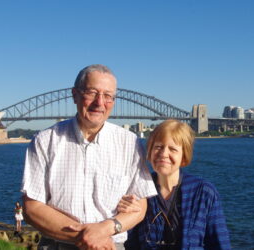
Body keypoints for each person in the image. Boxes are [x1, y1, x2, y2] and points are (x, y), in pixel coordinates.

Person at [21, 64, 157, 250]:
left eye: (108, 96)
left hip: (110, 245)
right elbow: (32, 208)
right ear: (75, 94)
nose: (100, 102)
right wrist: (89, 237)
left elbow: (140, 206)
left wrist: (106, 229)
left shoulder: (130, 143)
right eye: (92, 93)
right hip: (58, 245)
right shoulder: (44, 141)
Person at [118, 120, 231, 249]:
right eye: (158, 147)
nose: (163, 154)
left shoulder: (203, 192)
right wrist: (125, 214)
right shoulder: (137, 192)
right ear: (149, 151)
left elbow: (219, 243)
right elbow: (129, 243)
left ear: (184, 156)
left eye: (172, 149)